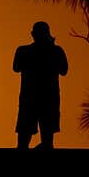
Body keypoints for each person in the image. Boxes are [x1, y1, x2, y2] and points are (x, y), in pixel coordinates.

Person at [13, 21, 69, 149]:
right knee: (24, 140)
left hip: (45, 99)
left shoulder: (53, 51)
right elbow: (16, 67)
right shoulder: (25, 51)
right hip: (33, 99)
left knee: (46, 140)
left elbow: (64, 70)